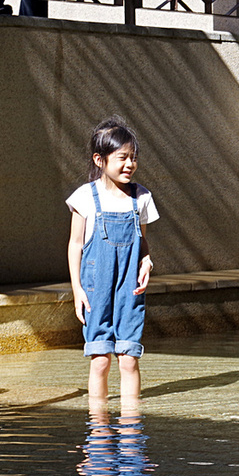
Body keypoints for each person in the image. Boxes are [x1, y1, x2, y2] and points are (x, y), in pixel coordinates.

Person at [67, 118, 159, 401]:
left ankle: (131, 427)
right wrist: (77, 290)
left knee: (129, 358)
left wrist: (147, 261)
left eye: (133, 158)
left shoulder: (141, 198)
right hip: (96, 289)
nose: (130, 164)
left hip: (129, 289)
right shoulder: (84, 197)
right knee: (101, 359)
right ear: (100, 159)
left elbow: (142, 242)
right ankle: (99, 429)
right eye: (122, 157)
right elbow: (75, 245)